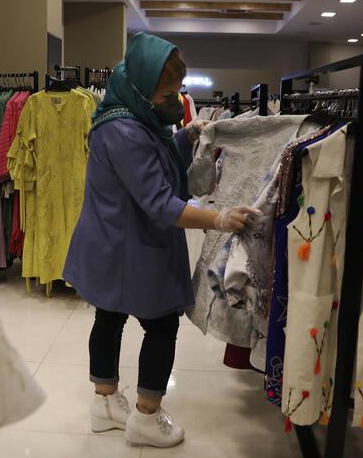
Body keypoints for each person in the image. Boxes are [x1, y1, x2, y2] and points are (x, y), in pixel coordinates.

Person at [63, 33, 258, 448]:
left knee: (109, 315)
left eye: (177, 90)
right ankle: (145, 417)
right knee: (161, 323)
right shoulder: (125, 131)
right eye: (167, 92)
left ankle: (105, 403)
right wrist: (219, 218)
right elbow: (159, 204)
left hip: (115, 236)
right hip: (129, 244)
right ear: (142, 88)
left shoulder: (125, 112)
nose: (174, 98)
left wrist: (186, 137)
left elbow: (156, 156)